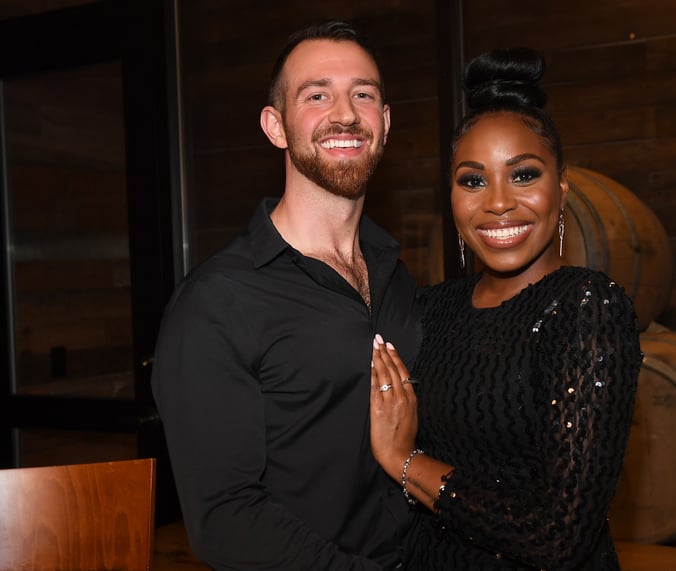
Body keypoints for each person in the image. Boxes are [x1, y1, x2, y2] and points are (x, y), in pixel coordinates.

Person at [151, 20, 421, 570]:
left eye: (362, 95)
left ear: (385, 123)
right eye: (317, 95)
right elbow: (225, 520)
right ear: (276, 126)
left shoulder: (399, 278)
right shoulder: (217, 302)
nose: (345, 113)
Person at [369, 47, 642, 570]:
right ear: (449, 196)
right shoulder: (433, 306)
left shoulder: (587, 307)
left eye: (523, 175)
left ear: (561, 188)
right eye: (472, 180)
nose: (497, 202)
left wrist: (403, 461)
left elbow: (556, 537)